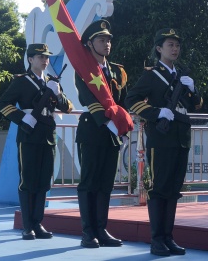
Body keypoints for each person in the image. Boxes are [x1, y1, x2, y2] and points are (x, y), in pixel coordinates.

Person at [125, 28, 203, 257]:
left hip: (180, 138)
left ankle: (169, 238)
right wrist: (156, 112)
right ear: (159, 48)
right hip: (161, 139)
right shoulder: (151, 75)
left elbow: (196, 105)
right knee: (159, 189)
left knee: (173, 189)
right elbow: (131, 99)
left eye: (177, 45)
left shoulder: (182, 76)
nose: (175, 49)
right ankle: (157, 239)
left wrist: (193, 89)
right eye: (170, 45)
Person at [0, 43, 73, 241]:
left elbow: (67, 108)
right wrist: (22, 118)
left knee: (43, 181)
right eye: (41, 57)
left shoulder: (51, 82)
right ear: (30, 59)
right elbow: (2, 103)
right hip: (29, 135)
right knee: (28, 181)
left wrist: (57, 93)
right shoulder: (22, 81)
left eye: (47, 57)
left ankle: (38, 223)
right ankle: (27, 225)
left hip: (48, 135)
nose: (45, 60)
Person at [75, 19, 130, 248]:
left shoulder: (118, 71)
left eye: (108, 40)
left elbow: (122, 102)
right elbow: (87, 99)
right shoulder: (83, 69)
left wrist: (122, 125)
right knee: (89, 183)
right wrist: (108, 122)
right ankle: (88, 232)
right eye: (101, 40)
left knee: (105, 184)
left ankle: (101, 229)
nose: (106, 44)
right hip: (92, 130)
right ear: (90, 44)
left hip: (112, 134)